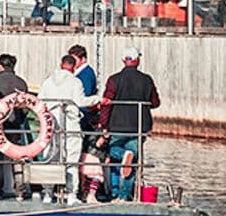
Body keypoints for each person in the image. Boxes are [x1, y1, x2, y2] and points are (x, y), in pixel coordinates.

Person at [97, 46, 161, 201]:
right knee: (131, 163)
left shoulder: (114, 80)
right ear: (137, 60)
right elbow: (155, 102)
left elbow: (108, 103)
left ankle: (114, 193)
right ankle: (124, 196)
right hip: (139, 126)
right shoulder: (147, 80)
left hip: (117, 125)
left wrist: (103, 125)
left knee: (113, 158)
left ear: (123, 60)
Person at [38, 53, 89, 202]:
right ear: (73, 68)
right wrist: (98, 99)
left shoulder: (48, 82)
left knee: (50, 158)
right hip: (71, 125)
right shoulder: (76, 82)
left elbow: (40, 102)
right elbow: (80, 101)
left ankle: (47, 193)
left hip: (51, 125)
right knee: (71, 159)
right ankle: (71, 194)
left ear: (61, 65)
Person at [0, 53, 30, 199]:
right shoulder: (21, 82)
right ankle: (20, 189)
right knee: (17, 157)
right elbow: (27, 106)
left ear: (0, 65)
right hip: (15, 123)